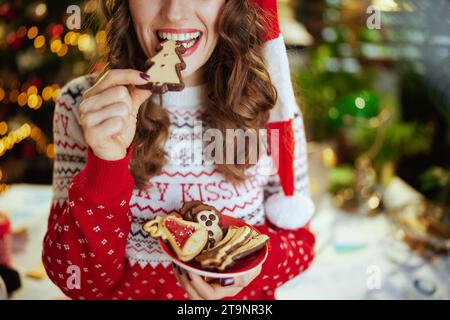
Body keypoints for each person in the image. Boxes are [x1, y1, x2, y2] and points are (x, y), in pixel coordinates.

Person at [42, 0, 315, 300]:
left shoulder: (272, 107)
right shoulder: (84, 105)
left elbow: (301, 243)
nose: (175, 12)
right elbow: (77, 282)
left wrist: (251, 266)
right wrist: (106, 161)